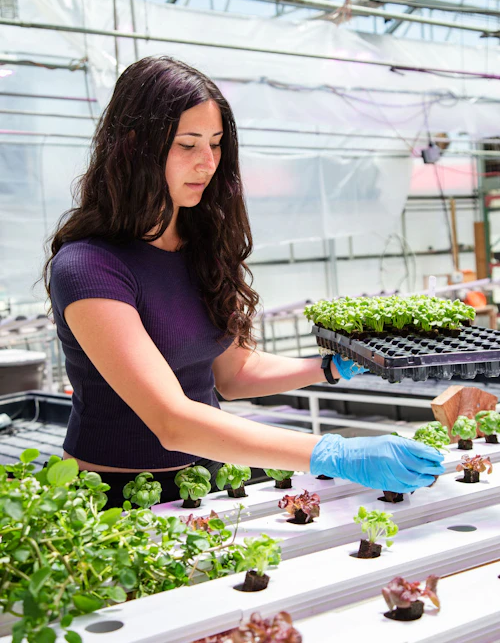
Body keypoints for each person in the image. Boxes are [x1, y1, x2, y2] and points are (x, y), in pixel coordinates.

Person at [44, 56, 444, 508]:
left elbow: (233, 375)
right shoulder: (89, 267)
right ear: (134, 146)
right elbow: (170, 420)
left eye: (215, 144)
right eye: (188, 144)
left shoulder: (201, 249)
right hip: (119, 498)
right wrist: (333, 452)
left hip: (210, 480)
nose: (208, 162)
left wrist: (331, 366)